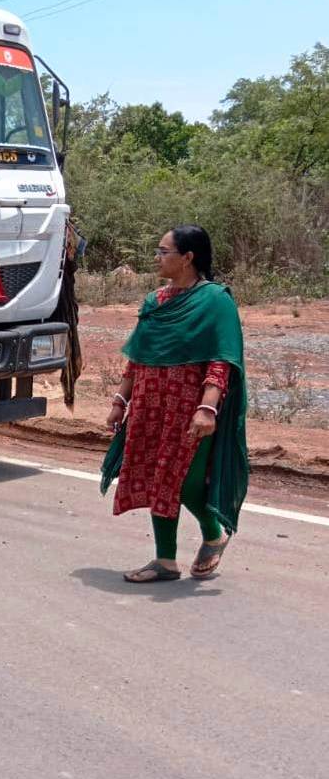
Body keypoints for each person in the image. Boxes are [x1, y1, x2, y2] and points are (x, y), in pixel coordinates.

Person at [101, 225, 250, 583]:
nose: (157, 257)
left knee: (184, 481)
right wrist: (121, 401)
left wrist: (207, 407)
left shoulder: (215, 301)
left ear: (187, 258)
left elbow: (221, 359)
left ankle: (214, 534)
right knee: (157, 478)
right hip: (150, 407)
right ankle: (165, 561)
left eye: (163, 251)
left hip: (188, 408)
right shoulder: (155, 302)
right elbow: (138, 358)